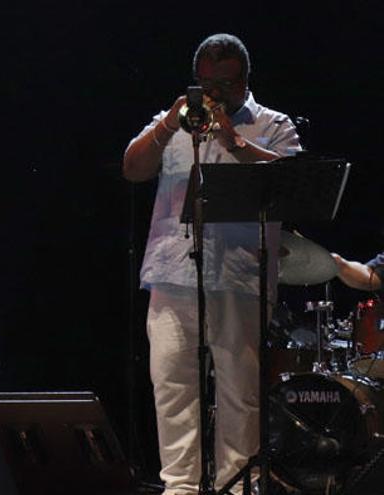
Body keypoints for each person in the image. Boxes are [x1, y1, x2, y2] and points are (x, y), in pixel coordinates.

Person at [123, 34, 301, 494]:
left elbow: (292, 185)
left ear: (244, 80)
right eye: (206, 82)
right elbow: (133, 168)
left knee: (240, 393)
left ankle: (237, 487)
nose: (215, 92)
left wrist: (233, 139)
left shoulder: (273, 124)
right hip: (172, 270)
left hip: (241, 275)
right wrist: (167, 125)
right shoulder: (179, 120)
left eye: (224, 82)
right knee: (171, 387)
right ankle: (179, 487)